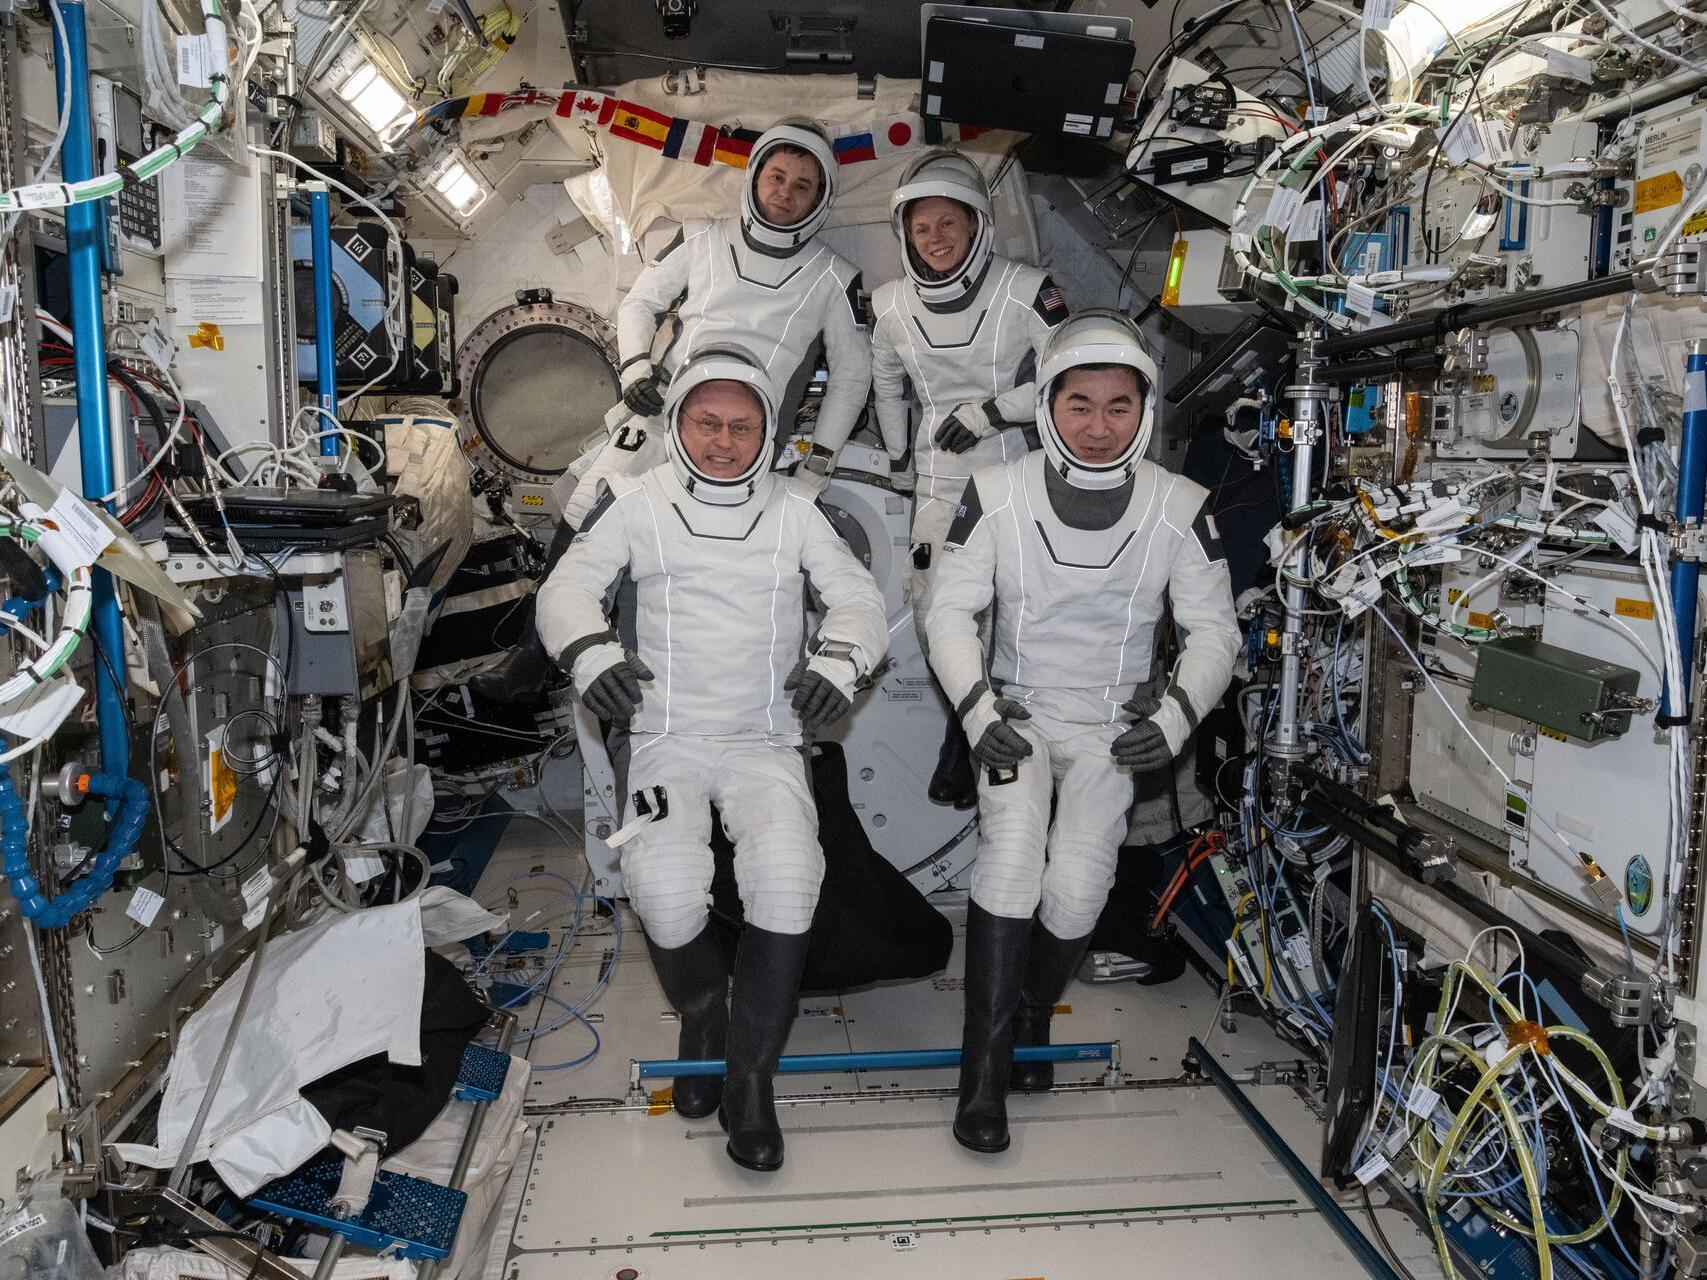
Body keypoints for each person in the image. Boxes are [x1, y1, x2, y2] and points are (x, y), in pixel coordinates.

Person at [535, 346, 887, 1173]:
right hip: (665, 735)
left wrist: (838, 662)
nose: (724, 442)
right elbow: (565, 588)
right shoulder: (635, 502)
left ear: (765, 431)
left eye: (741, 426)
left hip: (764, 737)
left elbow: (857, 595)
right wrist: (592, 656)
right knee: (660, 887)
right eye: (706, 423)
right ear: (679, 421)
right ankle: (703, 1010)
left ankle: (749, 1084)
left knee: (789, 874)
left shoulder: (798, 511)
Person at [924, 309, 1239, 1154]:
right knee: (1012, 862)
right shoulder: (997, 493)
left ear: (1144, 412)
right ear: (1047, 407)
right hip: (1017, 717)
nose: (1097, 427)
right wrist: (978, 707)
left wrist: (1174, 715)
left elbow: (1215, 633)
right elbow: (948, 611)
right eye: (1078, 405)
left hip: (1113, 727)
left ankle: (1030, 1019)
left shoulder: (1179, 506)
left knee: (1076, 892)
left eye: (1117, 407)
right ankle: (981, 1074)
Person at [474, 117, 872, 702]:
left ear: (821, 198)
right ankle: (536, 659)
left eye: (803, 185)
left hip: (743, 445)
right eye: (777, 177)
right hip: (664, 415)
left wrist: (818, 466)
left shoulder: (832, 278)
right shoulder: (703, 239)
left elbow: (854, 373)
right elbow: (641, 303)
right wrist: (636, 369)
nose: (785, 193)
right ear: (756, 177)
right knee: (588, 509)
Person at [868, 148, 1068, 809]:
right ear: (905, 236)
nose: (936, 241)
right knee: (933, 603)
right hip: (937, 481)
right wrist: (898, 452)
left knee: (1011, 607)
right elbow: (886, 378)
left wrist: (990, 412)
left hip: (1011, 470)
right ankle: (968, 721)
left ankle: (998, 740)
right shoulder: (892, 304)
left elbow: (1067, 372)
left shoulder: (1024, 288)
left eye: (948, 224)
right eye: (922, 229)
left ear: (977, 224)